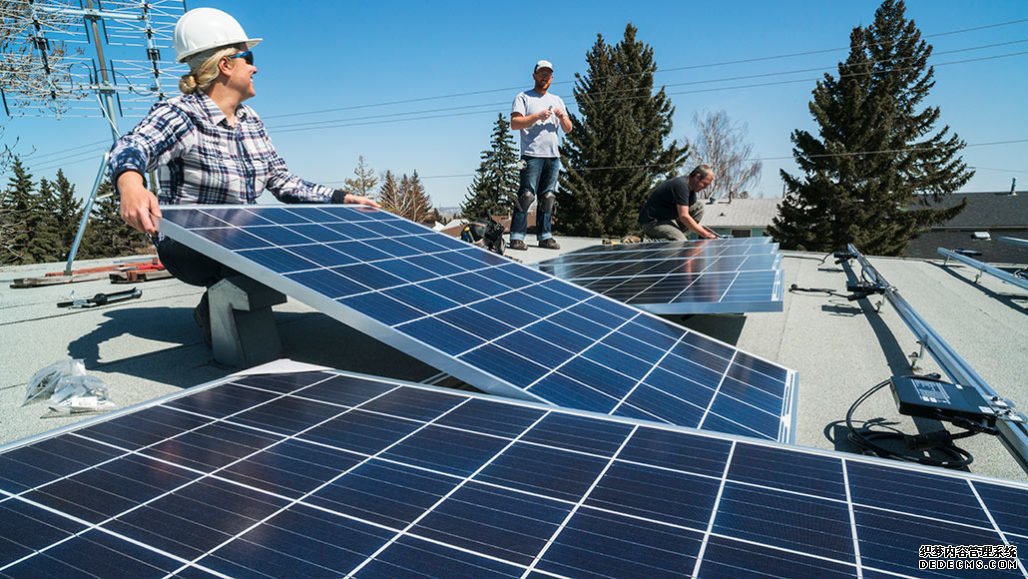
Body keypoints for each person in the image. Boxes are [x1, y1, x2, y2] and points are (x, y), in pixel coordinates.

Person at [109, 7, 378, 345]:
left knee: (298, 239)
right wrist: (130, 182)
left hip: (240, 236)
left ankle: (221, 305)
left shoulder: (251, 121)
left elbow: (282, 181)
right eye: (247, 57)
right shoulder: (181, 114)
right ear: (225, 65)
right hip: (187, 245)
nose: (255, 67)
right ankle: (217, 316)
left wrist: (341, 199)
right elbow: (132, 145)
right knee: (263, 242)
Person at [509, 60, 572, 250]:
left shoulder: (558, 100)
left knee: (548, 197)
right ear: (534, 75)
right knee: (526, 195)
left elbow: (568, 129)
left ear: (552, 78)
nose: (544, 77)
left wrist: (561, 117)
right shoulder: (523, 97)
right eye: (541, 73)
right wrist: (537, 116)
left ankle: (545, 236)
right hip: (529, 156)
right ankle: (517, 236)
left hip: (553, 157)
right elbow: (515, 123)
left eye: (548, 74)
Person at [638, 165, 718, 241]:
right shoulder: (681, 185)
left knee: (698, 207)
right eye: (704, 184)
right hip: (652, 222)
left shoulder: (691, 193)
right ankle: (640, 242)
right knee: (680, 242)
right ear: (697, 177)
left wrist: (704, 230)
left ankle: (676, 234)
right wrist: (705, 234)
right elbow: (683, 216)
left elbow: (689, 216)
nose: (704, 188)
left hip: (668, 220)